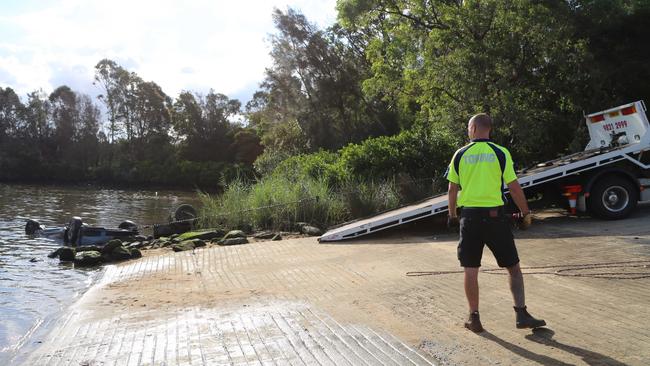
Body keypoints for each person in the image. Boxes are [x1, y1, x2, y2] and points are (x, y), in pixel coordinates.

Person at [445, 113, 546, 333]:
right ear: (488, 129)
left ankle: (474, 318)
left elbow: (452, 189)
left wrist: (452, 215)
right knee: (513, 268)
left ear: (472, 129)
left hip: (469, 219)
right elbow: (514, 186)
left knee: (470, 270)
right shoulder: (501, 153)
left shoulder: (460, 155)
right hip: (495, 218)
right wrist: (526, 213)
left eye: (467, 127)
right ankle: (521, 314)